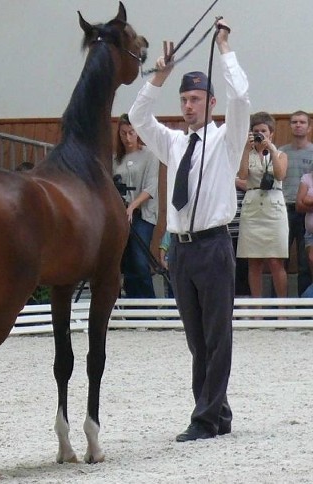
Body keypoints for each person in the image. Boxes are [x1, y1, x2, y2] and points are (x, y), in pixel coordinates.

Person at [128, 19, 250, 442]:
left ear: (210, 102)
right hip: (181, 251)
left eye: (196, 99)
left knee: (218, 337)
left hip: (214, 245)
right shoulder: (174, 143)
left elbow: (243, 98)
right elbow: (137, 115)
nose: (189, 106)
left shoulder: (227, 139)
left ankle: (205, 418)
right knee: (198, 342)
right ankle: (220, 412)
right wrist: (159, 75)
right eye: (184, 99)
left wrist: (225, 48)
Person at [237, 112, 288, 298]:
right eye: (256, 131)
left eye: (263, 131)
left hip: (273, 208)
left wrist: (271, 149)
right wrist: (245, 149)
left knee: (276, 262)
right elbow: (242, 176)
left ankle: (283, 311)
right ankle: (256, 309)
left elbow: (280, 175)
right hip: (252, 209)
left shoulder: (280, 154)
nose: (260, 134)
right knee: (254, 262)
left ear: (271, 133)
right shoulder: (247, 153)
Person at [112, 113, 159, 298]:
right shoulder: (116, 159)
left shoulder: (149, 155)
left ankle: (149, 307)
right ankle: (132, 306)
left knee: (140, 260)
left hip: (143, 213)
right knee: (126, 261)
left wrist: (133, 206)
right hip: (121, 214)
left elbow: (151, 186)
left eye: (132, 133)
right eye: (124, 133)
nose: (128, 138)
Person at [280, 110, 313, 296]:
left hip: (308, 212)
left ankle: (303, 305)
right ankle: (280, 307)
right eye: (294, 122)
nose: (298, 125)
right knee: (280, 257)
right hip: (283, 209)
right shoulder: (281, 152)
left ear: (309, 127)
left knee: (304, 261)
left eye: (302, 122)